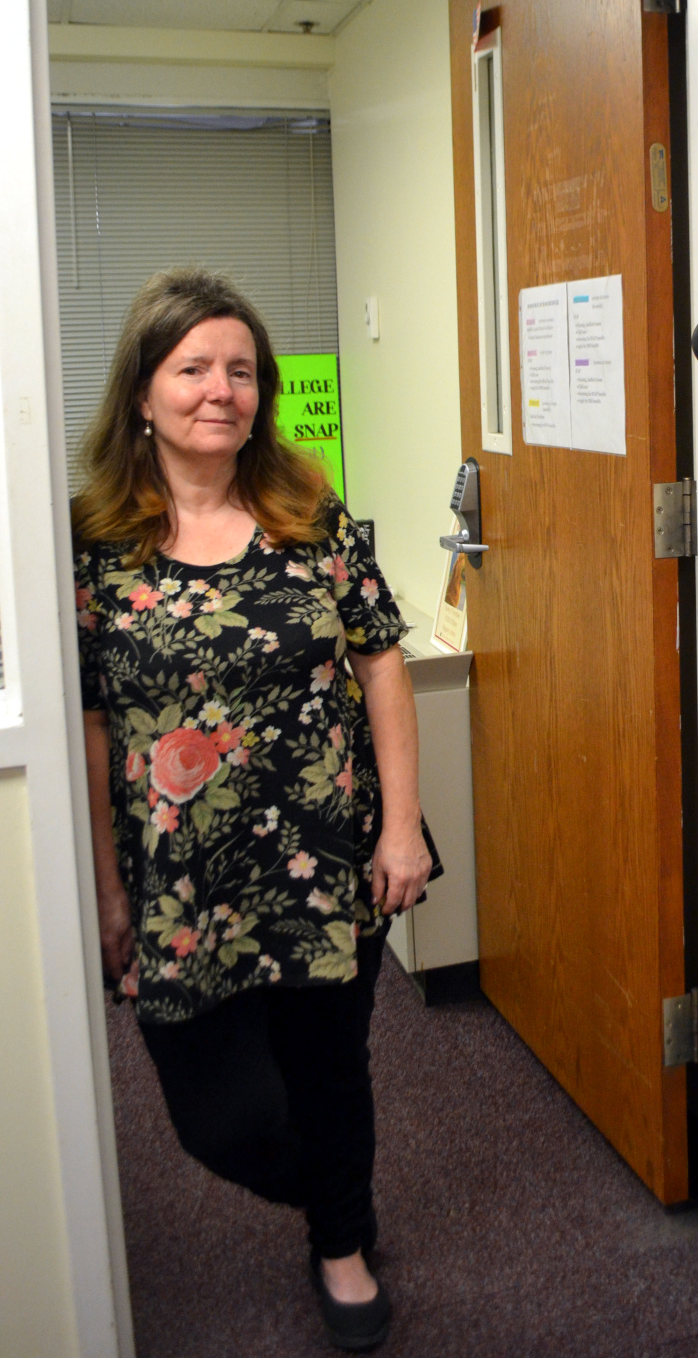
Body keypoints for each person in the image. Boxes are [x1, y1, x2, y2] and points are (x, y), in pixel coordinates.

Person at [74, 267, 434, 1352]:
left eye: (241, 370)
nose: (219, 390)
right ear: (144, 392)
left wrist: (402, 825)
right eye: (192, 369)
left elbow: (381, 664)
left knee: (331, 1068)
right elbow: (92, 724)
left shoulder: (309, 517)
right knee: (220, 1118)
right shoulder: (92, 547)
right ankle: (332, 1193)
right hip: (184, 876)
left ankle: (342, 1239)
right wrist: (104, 888)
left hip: (326, 860)